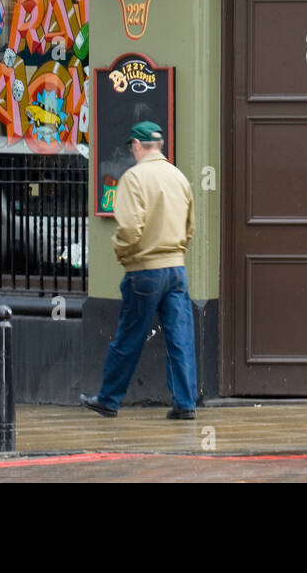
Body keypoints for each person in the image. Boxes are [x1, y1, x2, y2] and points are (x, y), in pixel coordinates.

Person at [81, 120, 199, 419]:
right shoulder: (178, 177)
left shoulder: (134, 179)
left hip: (145, 270)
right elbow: (189, 228)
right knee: (180, 338)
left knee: (129, 337)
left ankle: (108, 399)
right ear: (158, 145)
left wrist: (123, 252)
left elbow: (131, 229)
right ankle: (185, 404)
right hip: (176, 269)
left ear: (136, 145)